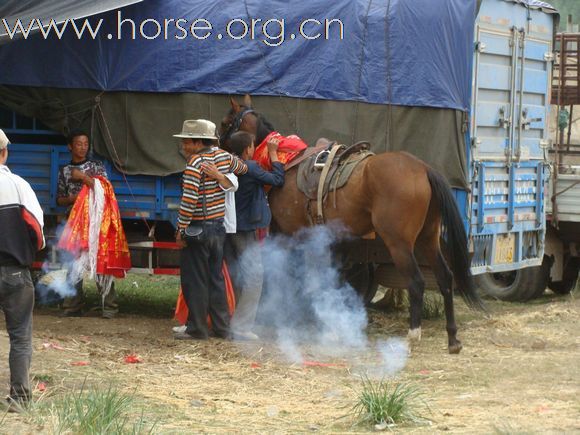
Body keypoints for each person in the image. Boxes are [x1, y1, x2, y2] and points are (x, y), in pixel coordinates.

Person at [174, 119, 247, 340]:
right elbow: (243, 168)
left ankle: (197, 329)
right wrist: (220, 176)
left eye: (186, 142)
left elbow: (189, 200)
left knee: (195, 280)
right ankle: (222, 328)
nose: (184, 146)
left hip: (198, 229)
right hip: (218, 229)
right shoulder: (224, 157)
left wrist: (181, 229)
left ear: (197, 142)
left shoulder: (195, 163)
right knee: (215, 279)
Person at [0, 129, 45, 411]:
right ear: (4, 152)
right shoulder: (18, 186)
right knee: (20, 337)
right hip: (15, 273)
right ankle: (19, 399)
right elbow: (37, 232)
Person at [225, 131, 285, 341]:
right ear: (248, 149)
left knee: (236, 274)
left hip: (230, 227)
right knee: (254, 277)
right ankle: (241, 327)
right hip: (245, 229)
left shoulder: (227, 163)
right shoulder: (249, 168)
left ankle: (232, 320)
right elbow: (277, 179)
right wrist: (274, 154)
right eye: (252, 146)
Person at [56, 130, 118, 318]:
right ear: (70, 146)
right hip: (74, 223)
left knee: (100, 262)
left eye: (85, 144)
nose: (83, 147)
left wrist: (83, 177)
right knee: (74, 263)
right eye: (78, 144)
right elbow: (60, 199)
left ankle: (109, 307)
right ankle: (72, 306)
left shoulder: (96, 167)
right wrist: (72, 199)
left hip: (95, 222)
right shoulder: (64, 171)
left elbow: (105, 190)